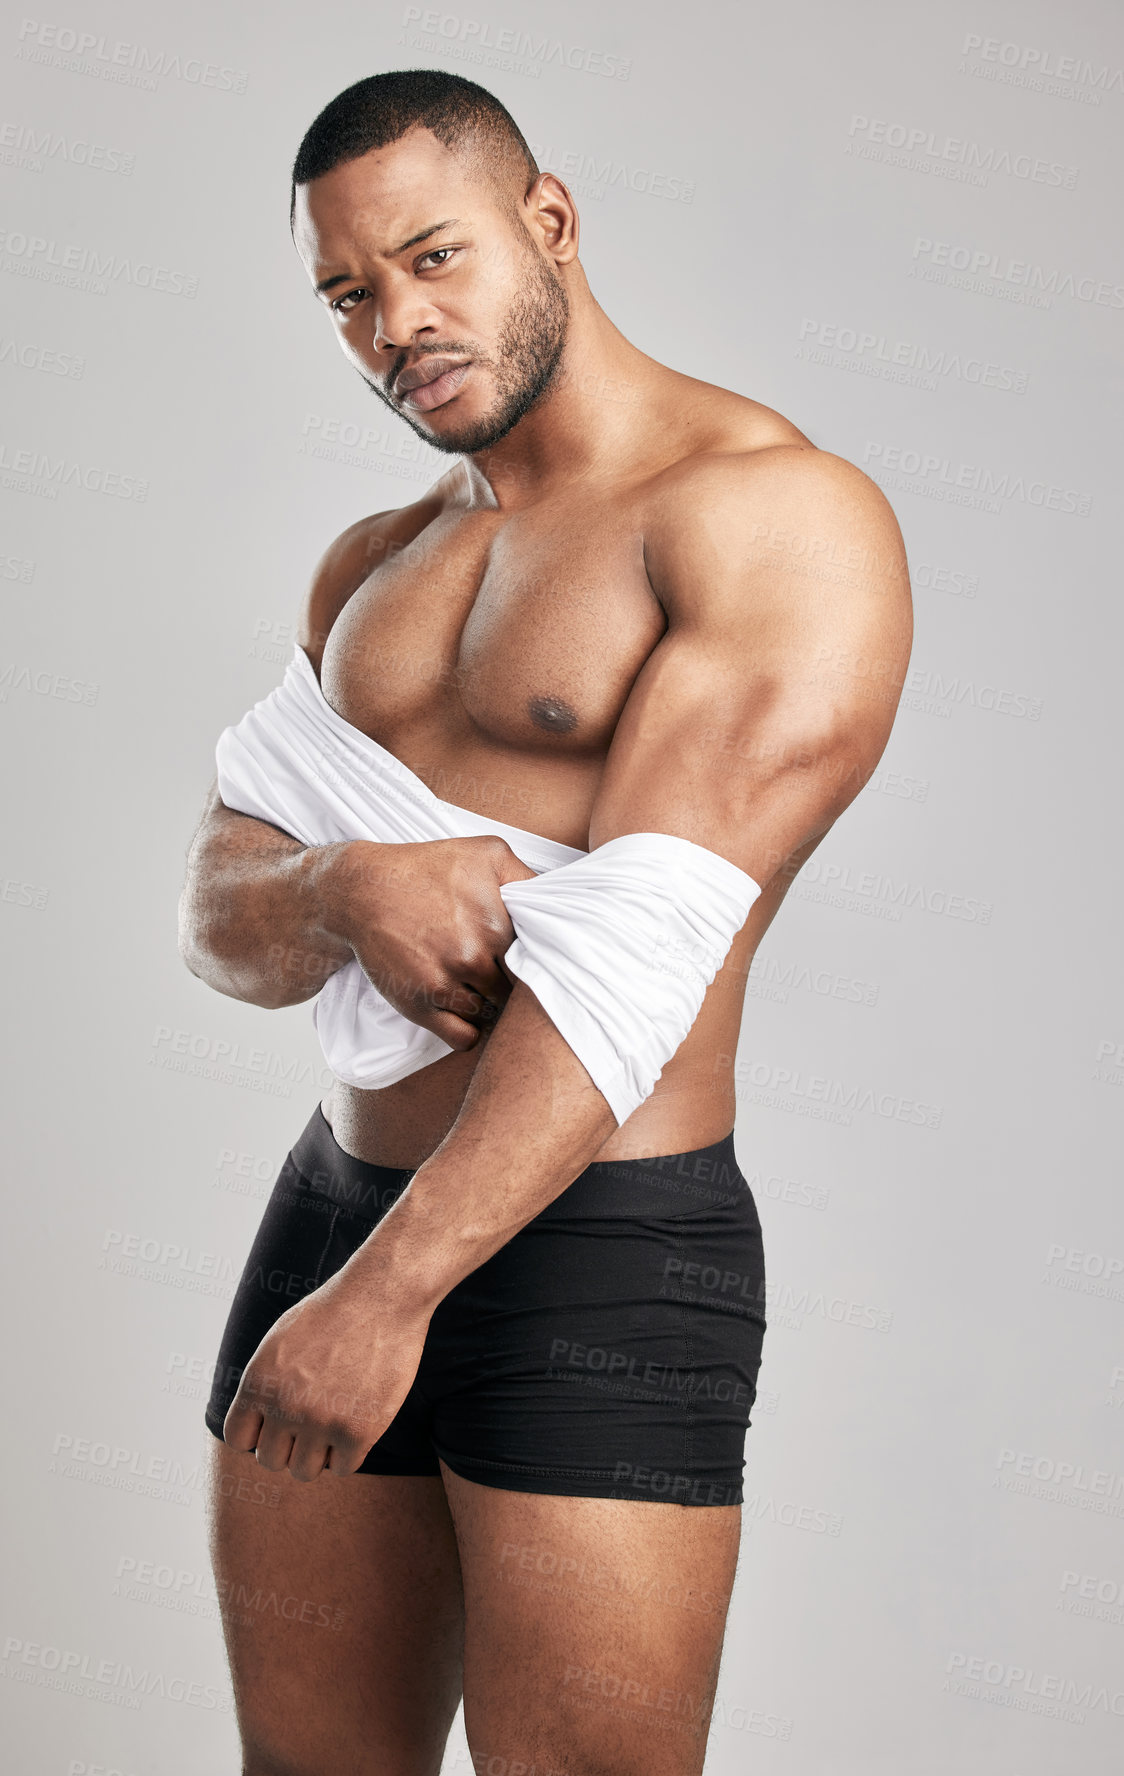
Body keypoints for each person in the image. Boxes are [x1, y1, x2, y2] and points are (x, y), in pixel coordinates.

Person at [178, 67, 912, 1776]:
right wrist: (344, 882)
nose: (396, 325)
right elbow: (222, 912)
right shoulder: (373, 561)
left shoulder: (772, 521)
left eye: (434, 260)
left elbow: (640, 949)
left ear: (551, 223)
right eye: (350, 295)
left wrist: (392, 1293)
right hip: (334, 1206)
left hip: (594, 1247)